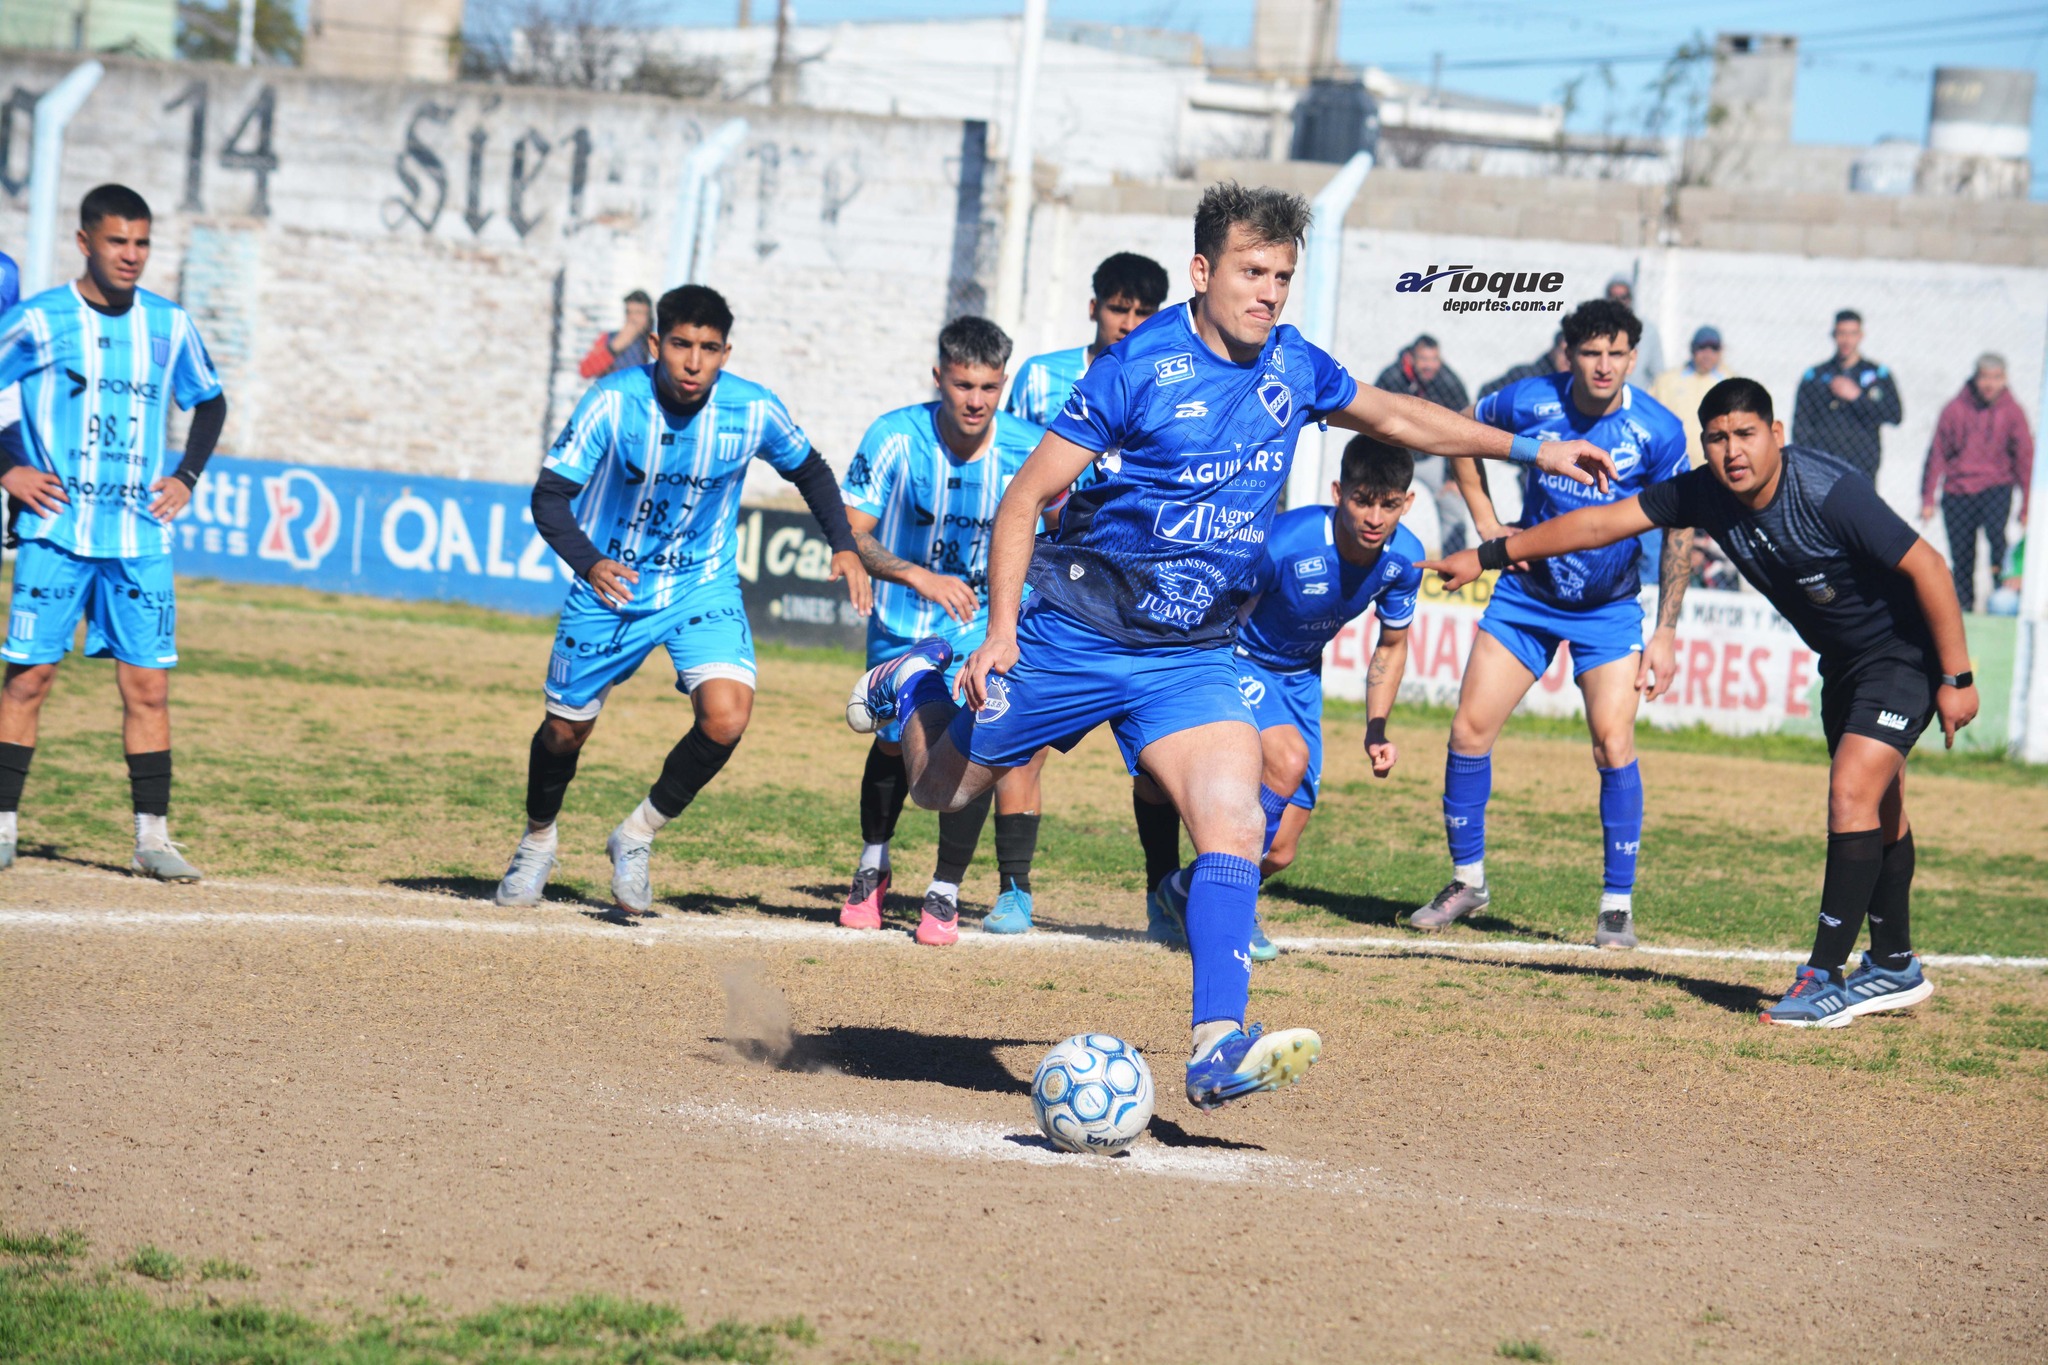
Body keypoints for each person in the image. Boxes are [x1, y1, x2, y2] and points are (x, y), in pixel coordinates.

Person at [838, 182, 1617, 1112]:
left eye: (1284, 275)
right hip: (1080, 628)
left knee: (1237, 820)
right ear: (1204, 272)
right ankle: (917, 677)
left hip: (1193, 653)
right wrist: (998, 630)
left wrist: (1533, 452)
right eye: (1253, 271)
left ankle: (1215, 1043)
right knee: (941, 787)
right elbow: (1023, 500)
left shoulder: (1294, 363)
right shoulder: (1136, 368)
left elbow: (1399, 416)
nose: (1270, 292)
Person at [1423, 378, 1978, 1028]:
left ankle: (1824, 976)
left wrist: (1958, 678)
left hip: (1903, 654)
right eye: (1716, 437)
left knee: (1851, 790)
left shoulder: (1828, 488)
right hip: (1848, 665)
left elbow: (1932, 567)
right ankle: (1893, 962)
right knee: (1881, 811)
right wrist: (1490, 553)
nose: (1731, 450)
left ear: (1774, 434)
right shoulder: (1703, 492)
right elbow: (1599, 522)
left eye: (1745, 434)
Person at [494, 284, 871, 914]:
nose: (693, 361)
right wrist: (590, 562)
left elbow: (809, 469)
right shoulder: (613, 401)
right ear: (654, 344)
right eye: (680, 345)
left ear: (726, 352)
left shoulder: (752, 409)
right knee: (563, 733)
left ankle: (636, 836)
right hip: (612, 586)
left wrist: (845, 543)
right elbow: (549, 496)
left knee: (727, 718)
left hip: (702, 584)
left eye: (708, 348)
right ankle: (537, 841)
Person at [1422, 297, 1692, 949]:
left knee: (1612, 742)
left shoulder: (1659, 431)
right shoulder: (1533, 400)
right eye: (1591, 352)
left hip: (1608, 608)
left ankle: (1616, 907)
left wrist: (1666, 629)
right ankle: (1468, 880)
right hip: (1527, 591)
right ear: (1569, 353)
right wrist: (1487, 524)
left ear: (1633, 356)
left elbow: (1680, 526)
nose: (1604, 365)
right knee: (1469, 728)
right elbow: (1462, 428)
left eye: (1617, 353)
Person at [0, 185, 228, 881]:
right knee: (28, 681)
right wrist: (8, 468)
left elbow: (211, 401)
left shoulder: (168, 323)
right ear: (84, 243)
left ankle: (152, 838)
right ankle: (3, 828)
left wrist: (187, 474)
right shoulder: (39, 320)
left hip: (139, 538)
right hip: (56, 533)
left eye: (141, 243)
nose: (131, 256)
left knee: (149, 690)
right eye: (116, 242)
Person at [1150, 434, 1422, 937]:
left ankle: (1184, 890)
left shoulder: (1403, 561)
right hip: (1239, 660)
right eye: (1363, 500)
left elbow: (1391, 645)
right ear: (1339, 493)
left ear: (1408, 503)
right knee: (1289, 758)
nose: (1374, 518)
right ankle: (1230, 913)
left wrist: (1376, 728)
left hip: (1300, 679)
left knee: (1281, 851)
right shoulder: (1285, 542)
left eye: (1388, 505)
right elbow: (1218, 603)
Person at [839, 317, 1048, 944]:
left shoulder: (1030, 446)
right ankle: (873, 865)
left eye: (988, 387)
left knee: (973, 734)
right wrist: (918, 578)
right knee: (893, 741)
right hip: (905, 620)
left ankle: (944, 889)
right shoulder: (894, 436)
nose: (976, 401)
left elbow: (1071, 515)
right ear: (940, 378)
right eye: (962, 386)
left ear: (1003, 382)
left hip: (987, 624)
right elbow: (851, 530)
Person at [1921, 353, 2032, 613]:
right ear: (1975, 377)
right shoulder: (1955, 409)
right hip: (1958, 491)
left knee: (1997, 545)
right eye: (1984, 378)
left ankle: (1999, 605)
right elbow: (1936, 453)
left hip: (1996, 489)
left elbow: (2026, 460)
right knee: (1962, 557)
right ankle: (1964, 610)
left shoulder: (2013, 413)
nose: (1989, 385)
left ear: (2004, 379)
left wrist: (2027, 504)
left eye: (1995, 378)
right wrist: (1928, 498)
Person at [1004, 253, 1169, 427]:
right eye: (1118, 310)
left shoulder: (1170, 383)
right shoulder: (1038, 375)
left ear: (1158, 317)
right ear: (1094, 309)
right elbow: (1013, 449)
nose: (1128, 325)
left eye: (1142, 313)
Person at [1376, 334, 1473, 552]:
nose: (1429, 366)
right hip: (1395, 455)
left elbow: (1462, 430)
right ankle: (1376, 557)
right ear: (1411, 358)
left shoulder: (1449, 382)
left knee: (1453, 506)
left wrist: (1452, 476)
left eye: (1434, 359)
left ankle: (1453, 569)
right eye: (1424, 359)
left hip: (1433, 456)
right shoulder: (1391, 378)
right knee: (1380, 503)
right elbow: (1374, 420)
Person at [1793, 310, 1901, 481]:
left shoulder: (1878, 375)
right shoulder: (1815, 377)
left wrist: (1857, 397)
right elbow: (1801, 425)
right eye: (1841, 334)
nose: (1846, 340)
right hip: (1824, 469)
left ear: (1861, 336)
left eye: (1852, 334)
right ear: (1833, 335)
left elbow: (1895, 415)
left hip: (1862, 468)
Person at [1650, 326, 1733, 469]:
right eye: (1702, 347)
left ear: (1721, 351)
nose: (1707, 354)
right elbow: (1651, 419)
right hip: (1673, 465)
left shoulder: (1730, 383)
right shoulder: (1667, 381)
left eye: (1713, 348)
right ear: (1692, 349)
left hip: (1714, 466)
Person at [578, 290, 656, 380]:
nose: (633, 318)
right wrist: (613, 348)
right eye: (629, 312)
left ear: (649, 316)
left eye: (638, 313)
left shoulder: (656, 342)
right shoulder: (609, 338)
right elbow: (585, 370)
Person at [1477, 330, 1567, 401]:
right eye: (1564, 352)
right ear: (1554, 351)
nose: (1567, 360)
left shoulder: (1572, 388)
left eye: (1570, 355)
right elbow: (1487, 393)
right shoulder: (1526, 375)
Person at [1604, 275, 1662, 382]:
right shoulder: (1598, 328)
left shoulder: (1648, 331)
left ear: (1630, 299)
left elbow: (1658, 373)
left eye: (1623, 297)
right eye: (1613, 297)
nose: (1617, 302)